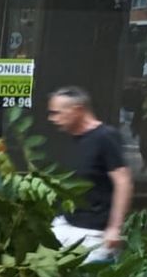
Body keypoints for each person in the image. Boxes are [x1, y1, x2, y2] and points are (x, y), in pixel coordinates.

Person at [46, 86, 132, 260]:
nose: (52, 119)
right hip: (66, 223)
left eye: (57, 113)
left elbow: (123, 182)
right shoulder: (73, 139)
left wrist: (115, 228)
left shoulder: (105, 137)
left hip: (93, 232)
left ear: (77, 110)